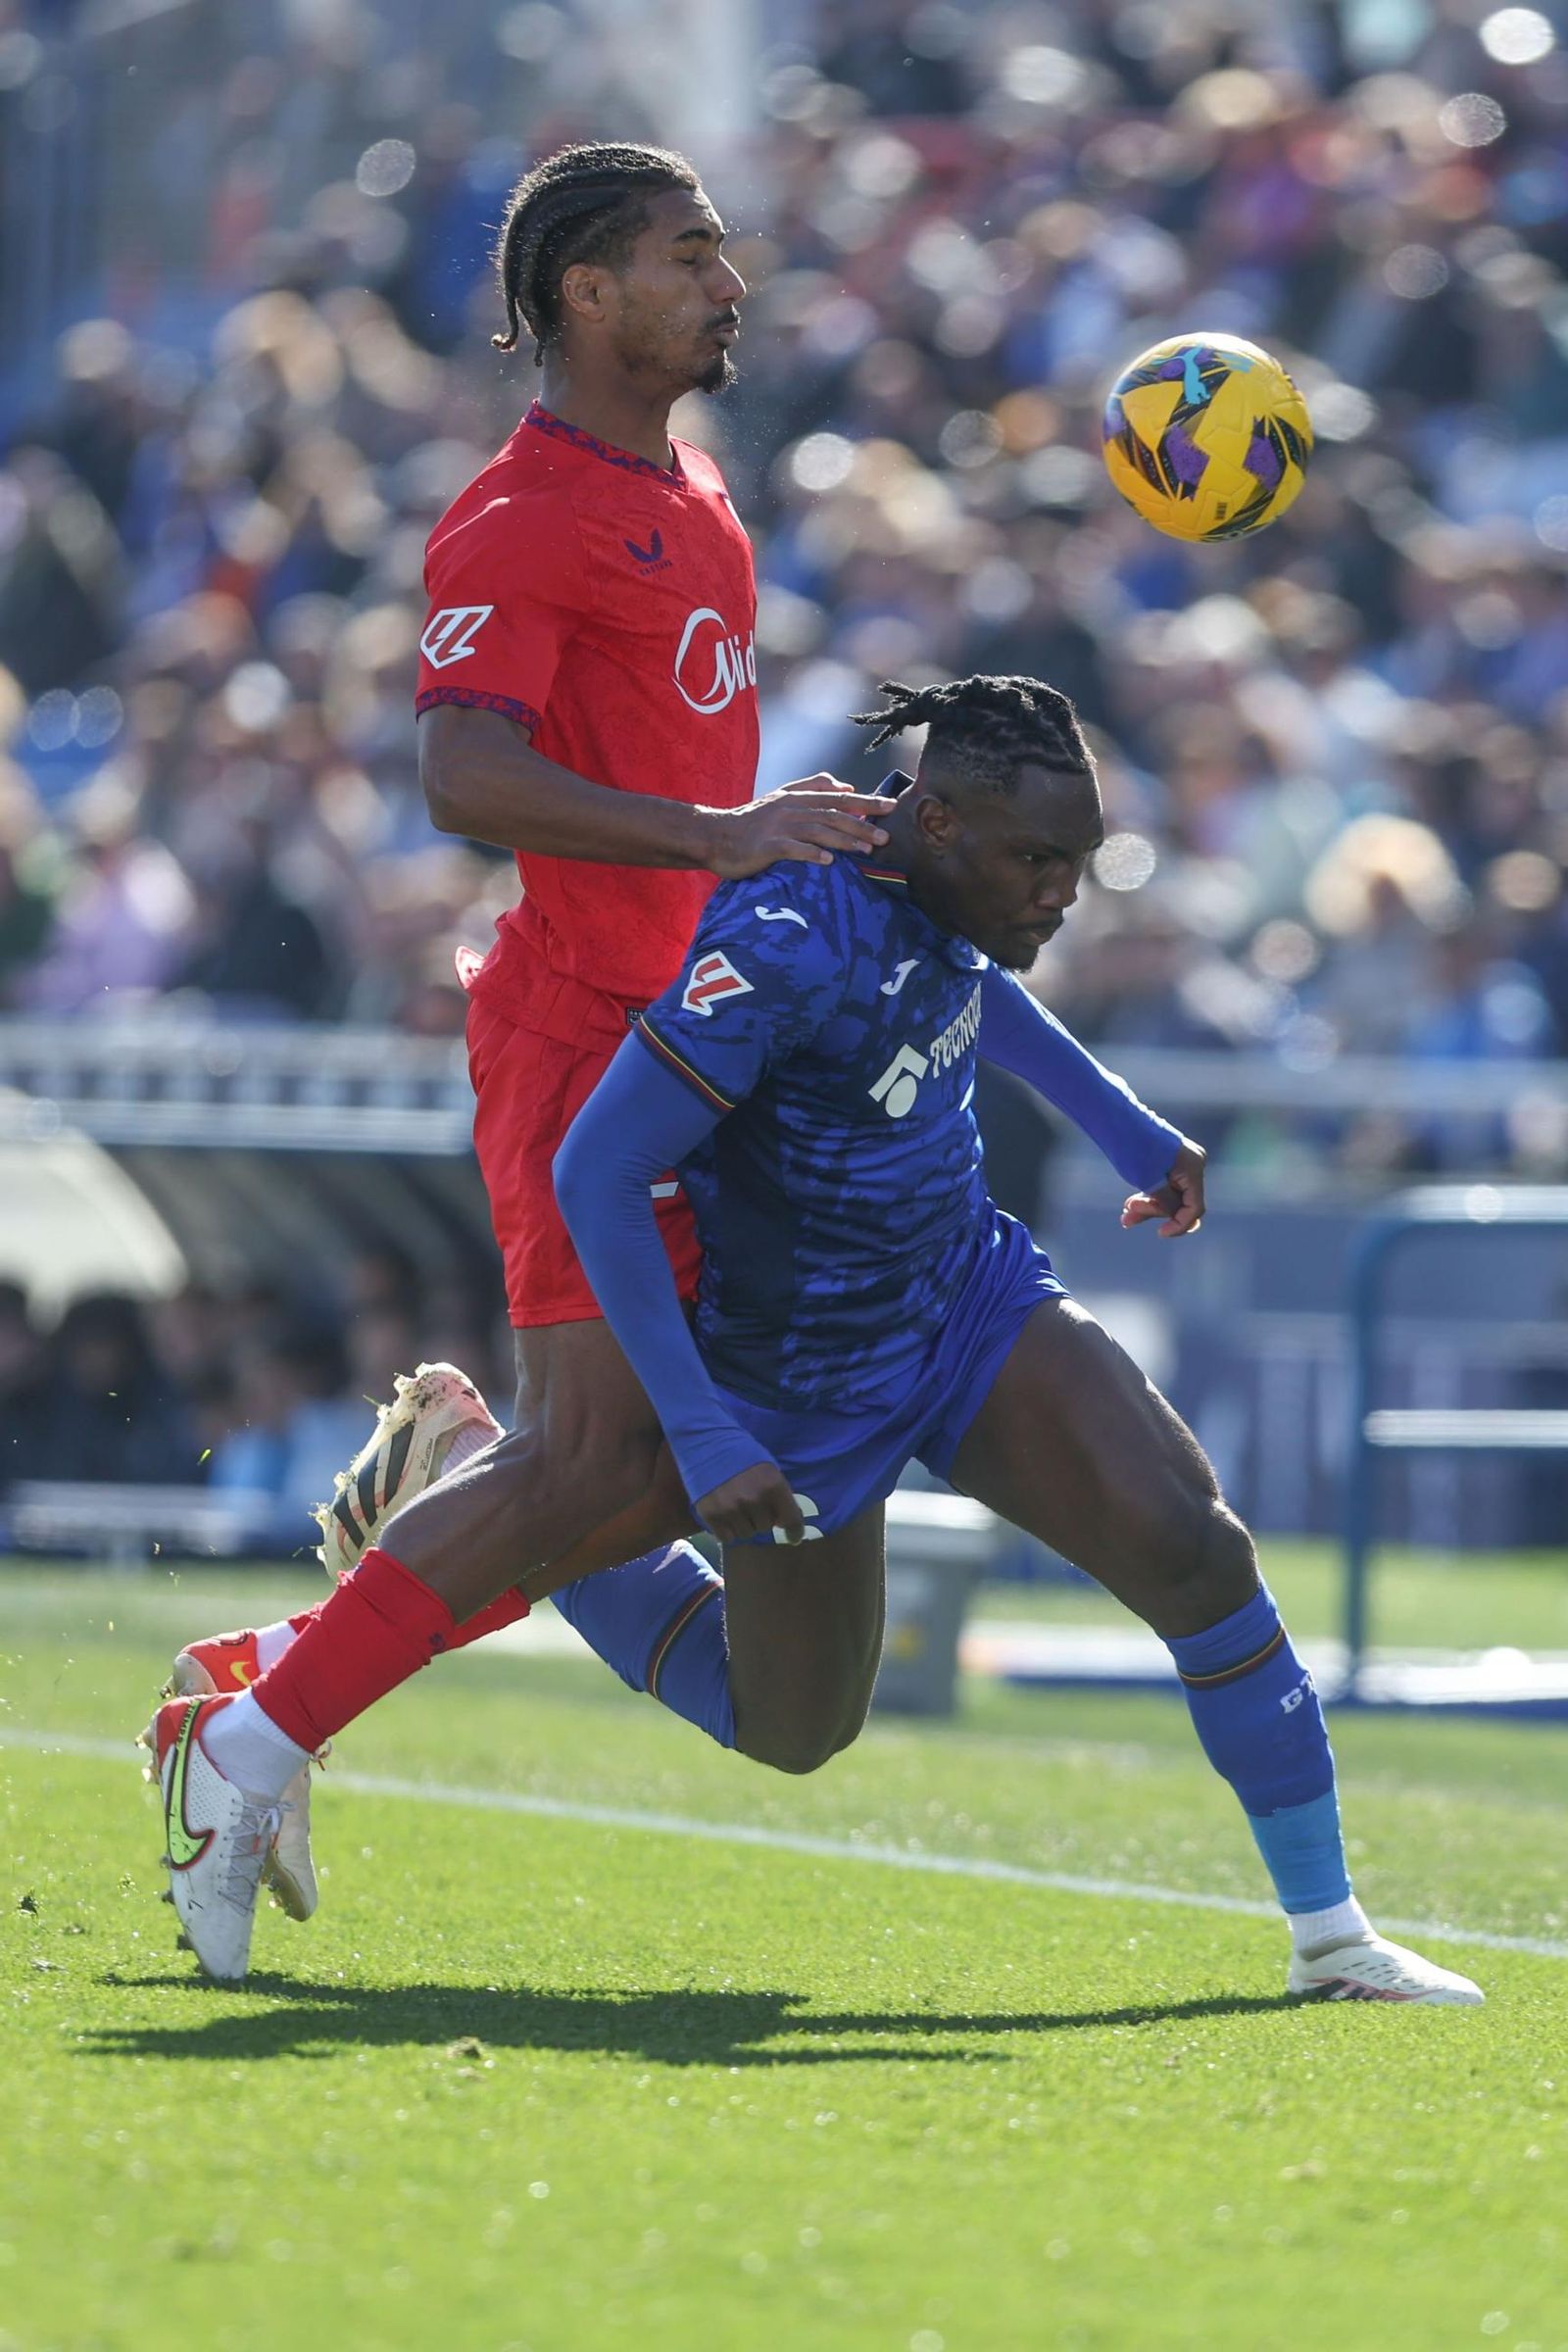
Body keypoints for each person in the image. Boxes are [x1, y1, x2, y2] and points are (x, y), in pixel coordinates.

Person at [144, 675, 1480, 2004]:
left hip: (964, 1302)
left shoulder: (948, 882)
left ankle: (1330, 1936)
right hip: (795, 1375)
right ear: (941, 824)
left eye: (1078, 862)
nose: (1062, 894)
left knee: (1195, 1548)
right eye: (1037, 861)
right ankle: (476, 1495)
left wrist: (1123, 1121)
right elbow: (602, 1171)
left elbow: (963, 983)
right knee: (793, 1730)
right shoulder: (784, 933)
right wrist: (708, 1426)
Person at [151, 136, 894, 1889]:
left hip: (707, 1043)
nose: (731, 280)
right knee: (605, 1472)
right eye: (691, 253)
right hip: (583, 1049)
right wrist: (723, 837)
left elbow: (670, 762)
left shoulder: (700, 490)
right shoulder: (521, 512)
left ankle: (305, 1643)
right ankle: (252, 1732)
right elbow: (462, 773)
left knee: (645, 1473)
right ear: (586, 290)